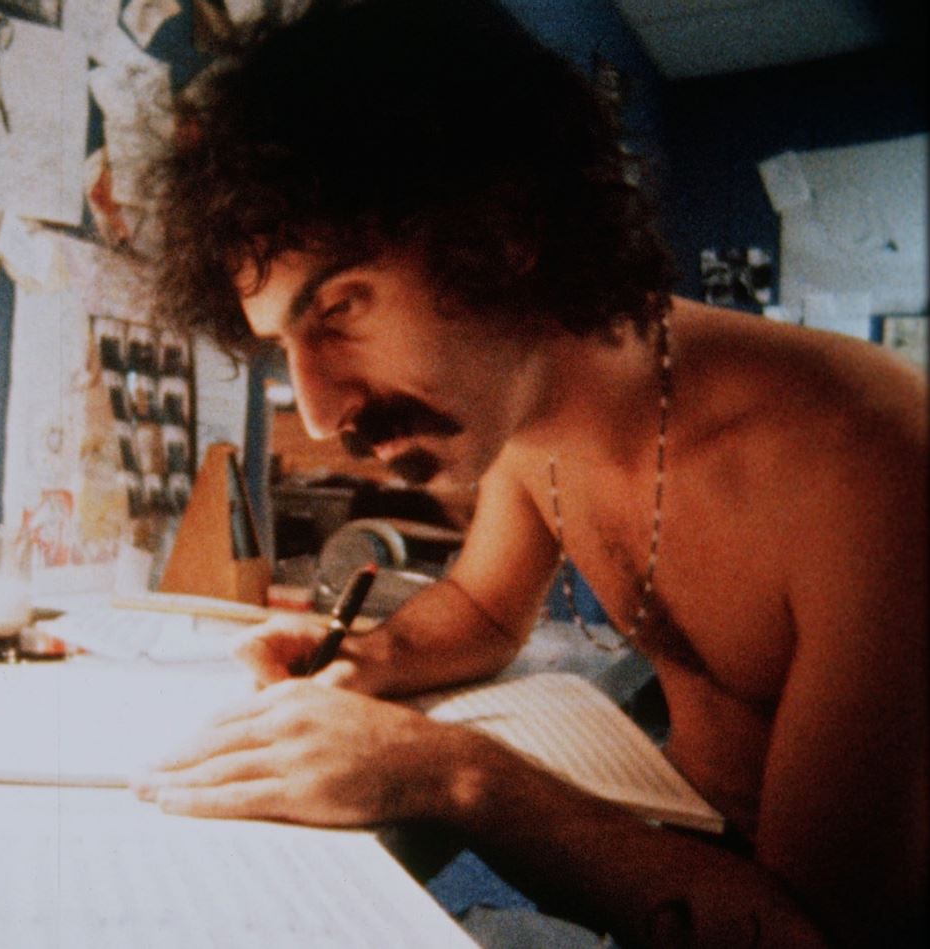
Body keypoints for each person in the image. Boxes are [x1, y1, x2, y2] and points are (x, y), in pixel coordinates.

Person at [131, 1, 927, 946]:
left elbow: (820, 938)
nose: (314, 414)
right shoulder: (525, 417)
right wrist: (360, 660)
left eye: (340, 309)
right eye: (283, 349)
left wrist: (453, 773)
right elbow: (481, 609)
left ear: (502, 232)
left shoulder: (866, 458)